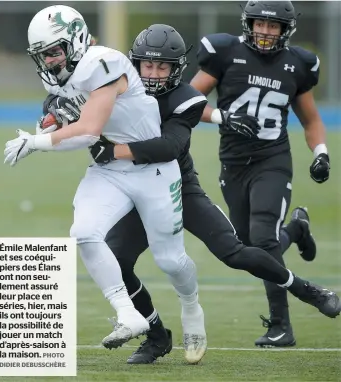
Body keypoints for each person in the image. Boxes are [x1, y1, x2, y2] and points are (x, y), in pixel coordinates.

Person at [45, 24, 340, 364]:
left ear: (176, 70)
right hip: (129, 188)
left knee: (234, 252)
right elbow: (67, 87)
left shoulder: (184, 97)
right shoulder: (115, 85)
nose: (153, 74)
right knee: (117, 261)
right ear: (135, 63)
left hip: (176, 188)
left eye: (163, 67)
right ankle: (156, 335)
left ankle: (307, 290)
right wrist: (53, 106)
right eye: (147, 65)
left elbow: (169, 147)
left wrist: (111, 151)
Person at [3, 5, 207, 357]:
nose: (50, 61)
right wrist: (52, 120)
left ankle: (191, 307)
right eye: (43, 55)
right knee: (83, 231)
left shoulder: (103, 62)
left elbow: (90, 128)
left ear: (76, 41)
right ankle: (128, 314)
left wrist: (37, 142)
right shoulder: (56, 75)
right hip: (109, 169)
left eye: (54, 51)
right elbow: (73, 124)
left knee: (170, 260)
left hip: (152, 171)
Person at [190, 0, 331, 347]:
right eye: (259, 24)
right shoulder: (225, 53)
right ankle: (296, 229)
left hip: (272, 160)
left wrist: (321, 153)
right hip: (234, 163)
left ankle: (281, 326)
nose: (265, 32)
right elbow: (187, 101)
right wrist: (221, 117)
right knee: (249, 249)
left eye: (273, 27)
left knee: (263, 238)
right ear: (248, 23)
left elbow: (310, 119)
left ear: (286, 30)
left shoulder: (297, 64)